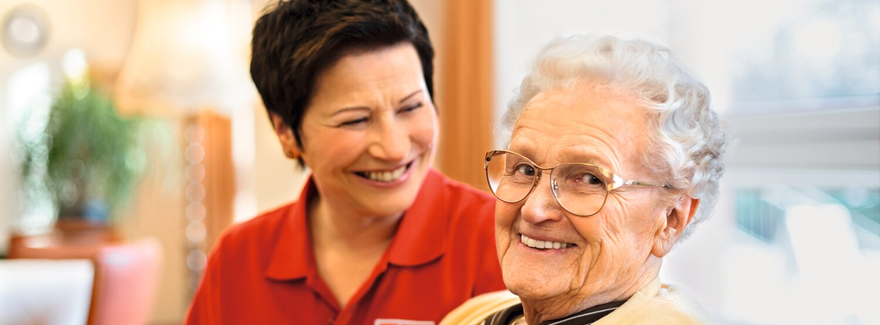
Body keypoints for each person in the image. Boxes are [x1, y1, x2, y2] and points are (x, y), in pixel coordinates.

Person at [186, 1, 504, 324]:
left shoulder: (500, 239)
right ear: (286, 132)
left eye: (410, 108)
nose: (394, 149)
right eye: (356, 120)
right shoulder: (238, 261)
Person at [441, 35, 733, 325]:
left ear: (670, 219)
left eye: (589, 179)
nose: (533, 210)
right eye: (525, 170)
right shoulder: (473, 315)